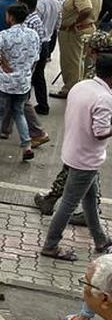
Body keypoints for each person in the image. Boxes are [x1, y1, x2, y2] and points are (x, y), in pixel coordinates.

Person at [40, 54, 112, 261]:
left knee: (90, 199)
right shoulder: (104, 98)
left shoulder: (81, 86)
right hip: (86, 159)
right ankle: (50, 245)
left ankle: (100, 239)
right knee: (69, 203)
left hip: (74, 151)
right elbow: (99, 131)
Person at [0, 3, 39, 161]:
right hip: (23, 82)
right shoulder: (33, 35)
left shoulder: (4, 34)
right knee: (19, 113)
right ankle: (26, 145)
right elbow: (35, 59)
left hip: (5, 81)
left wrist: (1, 60)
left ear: (11, 17)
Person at [56, 0, 104, 98]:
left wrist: (74, 23)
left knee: (71, 61)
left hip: (75, 31)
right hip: (88, 28)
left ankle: (70, 89)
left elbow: (86, 9)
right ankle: (81, 87)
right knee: (84, 60)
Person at [31, 0, 62, 115]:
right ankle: (42, 104)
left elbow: (34, 25)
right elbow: (57, 24)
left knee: (31, 73)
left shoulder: (39, 5)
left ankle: (30, 104)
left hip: (37, 41)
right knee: (38, 75)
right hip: (47, 41)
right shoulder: (56, 3)